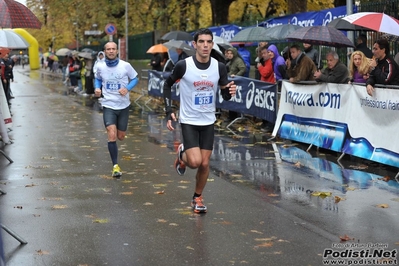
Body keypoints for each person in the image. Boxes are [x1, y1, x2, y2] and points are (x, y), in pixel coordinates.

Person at [163, 28, 236, 213]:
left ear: (212, 44)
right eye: (201, 42)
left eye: (208, 42)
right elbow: (167, 84)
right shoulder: (184, 65)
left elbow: (225, 94)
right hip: (189, 120)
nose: (205, 45)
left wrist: (230, 92)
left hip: (208, 121)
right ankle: (182, 153)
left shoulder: (219, 67)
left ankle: (197, 198)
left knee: (205, 164)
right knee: (194, 162)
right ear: (194, 45)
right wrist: (168, 110)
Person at [94, 42, 139, 178]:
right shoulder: (100, 66)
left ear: (117, 51)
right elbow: (98, 79)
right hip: (108, 105)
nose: (111, 51)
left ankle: (115, 161)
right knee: (111, 134)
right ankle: (115, 166)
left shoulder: (125, 66)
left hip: (123, 106)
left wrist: (127, 88)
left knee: (121, 136)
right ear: (105, 51)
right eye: (108, 49)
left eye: (113, 49)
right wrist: (97, 88)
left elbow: (135, 79)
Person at [224, 47, 246, 121]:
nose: (229, 55)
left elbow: (243, 69)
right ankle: (231, 116)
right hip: (231, 83)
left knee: (236, 100)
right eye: (228, 53)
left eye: (231, 53)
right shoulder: (230, 61)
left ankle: (237, 116)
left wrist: (237, 76)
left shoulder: (238, 61)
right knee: (231, 100)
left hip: (237, 83)